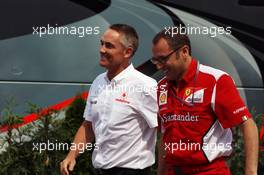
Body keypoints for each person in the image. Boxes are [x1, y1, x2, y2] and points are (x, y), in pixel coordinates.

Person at [151, 28, 259, 175]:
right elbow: (165, 134)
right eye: (155, 60)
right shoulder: (161, 87)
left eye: (163, 59)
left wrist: (251, 172)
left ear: (184, 51)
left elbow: (248, 124)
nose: (158, 66)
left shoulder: (216, 80)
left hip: (208, 171)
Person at [60, 24, 158, 175]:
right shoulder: (98, 81)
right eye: (101, 43)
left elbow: (164, 129)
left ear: (128, 52)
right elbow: (88, 125)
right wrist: (71, 155)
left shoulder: (146, 86)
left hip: (132, 171)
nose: (102, 50)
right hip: (99, 170)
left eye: (109, 46)